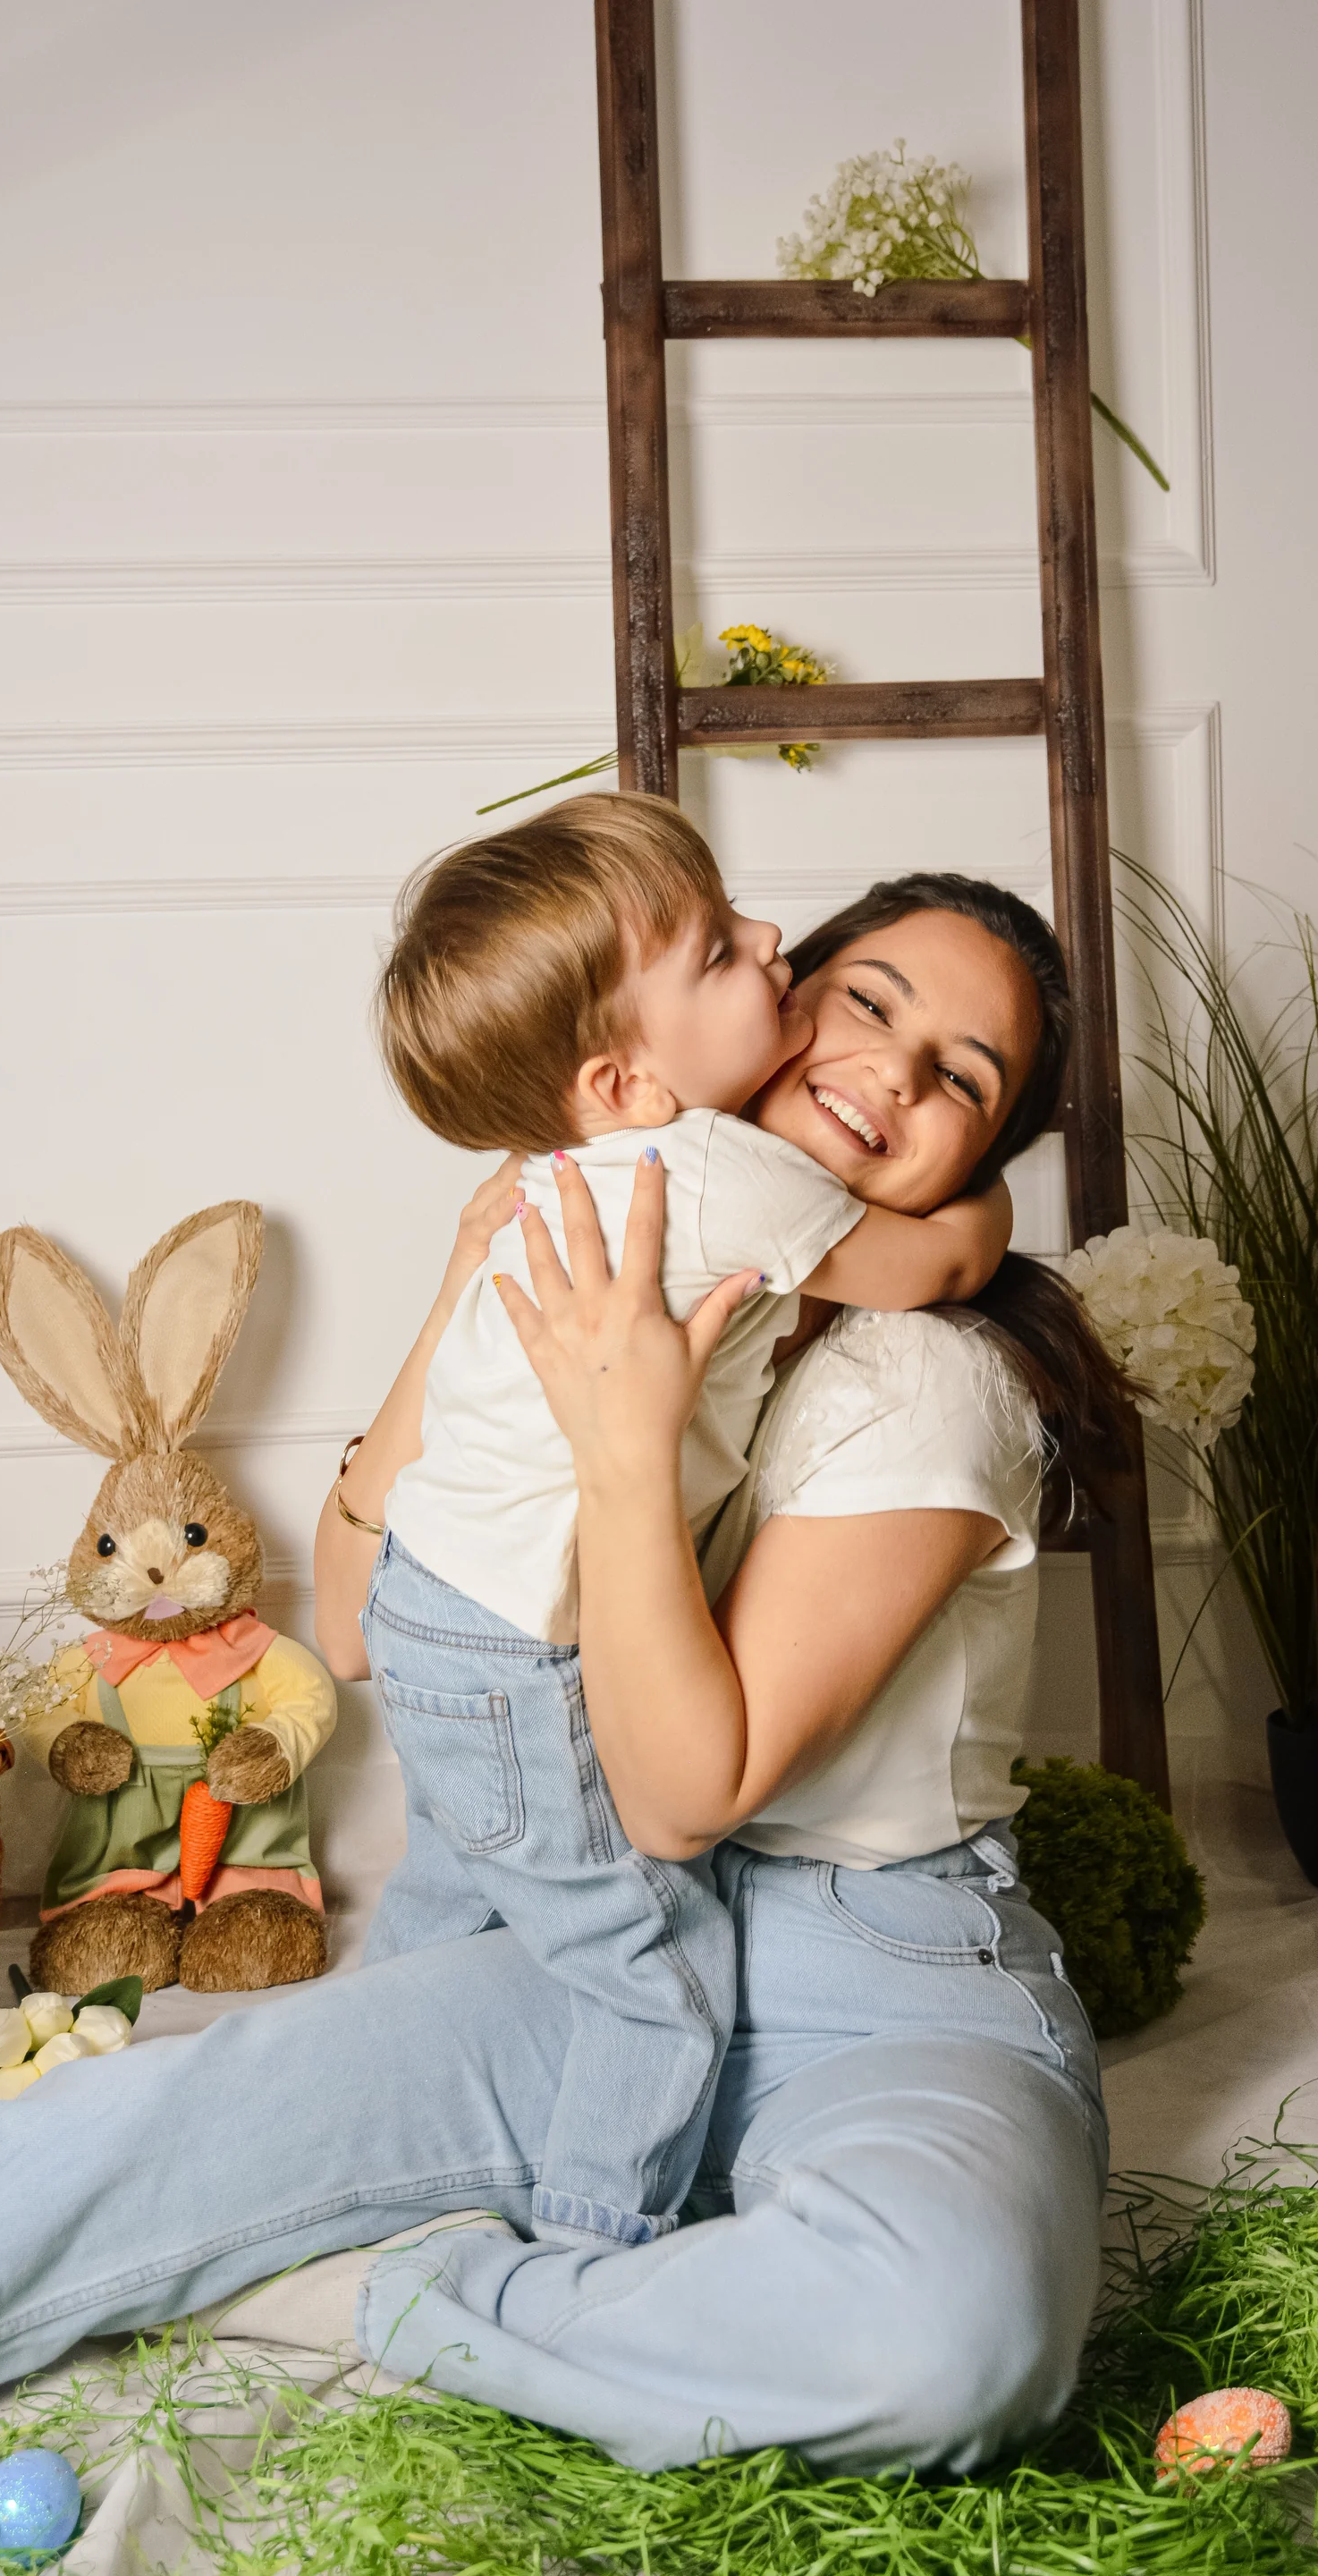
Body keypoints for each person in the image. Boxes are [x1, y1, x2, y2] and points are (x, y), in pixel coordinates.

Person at [0, 874, 1128, 2476]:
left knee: (949, 2342)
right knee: (135, 2136)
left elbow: (689, 1797)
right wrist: (467, 1287)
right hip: (568, 1933)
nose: (895, 1072)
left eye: (968, 1076)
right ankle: (450, 2245)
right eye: (872, 1000)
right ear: (763, 1003)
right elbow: (348, 1620)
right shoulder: (626, 1221)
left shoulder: (927, 1382)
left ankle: (387, 2294)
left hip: (873, 1979)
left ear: (982, 1148)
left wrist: (624, 1452)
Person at [353, 794, 1010, 2255]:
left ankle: (379, 2065)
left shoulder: (570, 1167)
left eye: (963, 1078)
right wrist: (990, 1214)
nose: (767, 938)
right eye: (723, 950)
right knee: (655, 1971)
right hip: (520, 1648)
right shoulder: (717, 1174)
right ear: (626, 1078)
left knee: (460, 1889)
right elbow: (924, 1266)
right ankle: (593, 2249)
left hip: (424, 1599)